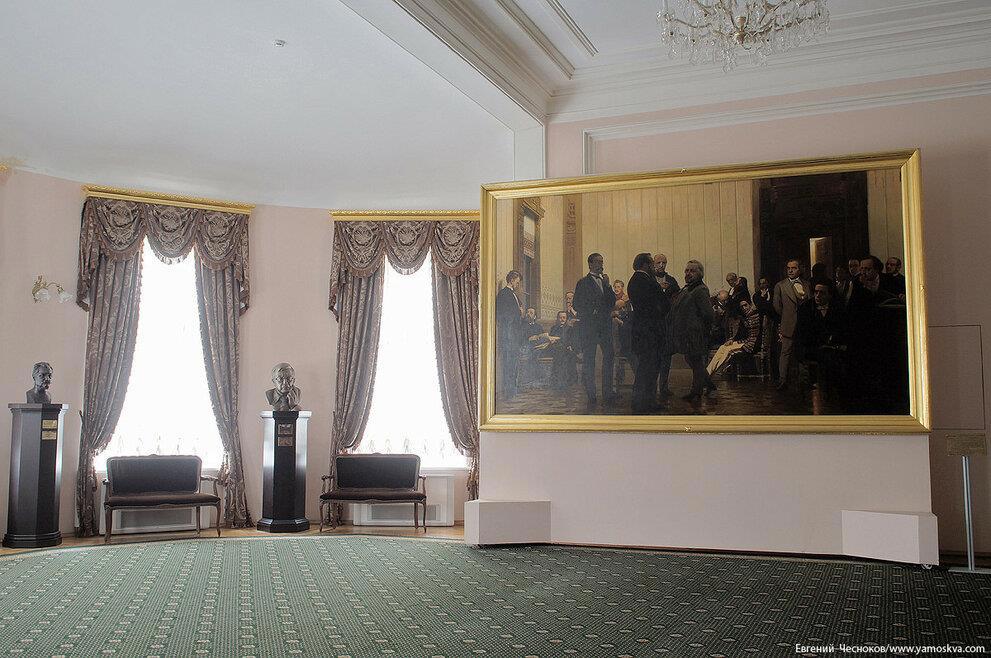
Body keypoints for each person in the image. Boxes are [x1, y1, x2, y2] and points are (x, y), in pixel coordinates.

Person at [573, 253, 617, 406]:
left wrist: (608, 286)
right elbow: (576, 304)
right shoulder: (582, 283)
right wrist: (591, 311)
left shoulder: (605, 282)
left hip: (605, 327)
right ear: (590, 264)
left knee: (609, 356)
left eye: (602, 262)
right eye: (597, 262)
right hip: (590, 328)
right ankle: (591, 395)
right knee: (589, 360)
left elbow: (612, 302)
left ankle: (608, 393)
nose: (601, 265)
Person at [627, 253, 668, 413]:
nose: (654, 267)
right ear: (645, 265)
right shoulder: (645, 281)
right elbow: (660, 305)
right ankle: (645, 403)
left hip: (643, 332)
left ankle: (643, 402)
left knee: (645, 368)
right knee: (649, 368)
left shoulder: (635, 280)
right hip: (650, 332)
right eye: (651, 264)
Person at [672, 260, 714, 404]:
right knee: (691, 359)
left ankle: (696, 392)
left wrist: (702, 329)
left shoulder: (700, 290)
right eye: (687, 271)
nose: (688, 273)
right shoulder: (688, 288)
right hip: (687, 332)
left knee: (695, 360)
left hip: (695, 333)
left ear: (700, 273)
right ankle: (709, 385)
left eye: (692, 271)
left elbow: (708, 314)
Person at [773, 258, 811, 390]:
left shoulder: (807, 284)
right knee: (785, 353)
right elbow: (777, 306)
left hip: (804, 325)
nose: (790, 270)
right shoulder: (780, 285)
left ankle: (804, 381)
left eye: (793, 268)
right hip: (788, 323)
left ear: (799, 270)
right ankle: (783, 380)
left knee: (803, 352)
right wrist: (787, 316)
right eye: (788, 268)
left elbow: (810, 303)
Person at [799, 283, 846, 390]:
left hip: (833, 348)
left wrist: (833, 341)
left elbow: (841, 329)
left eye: (822, 293)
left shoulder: (837, 309)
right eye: (816, 292)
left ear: (829, 295)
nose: (818, 295)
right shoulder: (806, 309)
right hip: (812, 348)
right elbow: (803, 333)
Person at [706, 298, 760, 377]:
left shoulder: (757, 315)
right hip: (745, 341)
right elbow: (741, 333)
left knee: (728, 350)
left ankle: (709, 374)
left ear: (750, 304)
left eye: (745, 305)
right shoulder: (745, 317)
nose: (744, 308)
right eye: (742, 307)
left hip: (753, 344)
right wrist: (732, 340)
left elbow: (758, 334)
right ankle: (707, 372)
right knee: (723, 347)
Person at [653, 253, 680, 399]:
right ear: (653, 264)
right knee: (653, 356)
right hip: (653, 324)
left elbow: (678, 298)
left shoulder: (671, 281)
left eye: (664, 262)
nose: (661, 265)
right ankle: (651, 387)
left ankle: (663, 387)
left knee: (666, 355)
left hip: (667, 323)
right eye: (659, 262)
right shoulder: (649, 280)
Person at [495, 270, 525, 399]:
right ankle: (509, 392)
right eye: (517, 282)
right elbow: (503, 315)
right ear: (511, 280)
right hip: (508, 335)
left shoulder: (513, 294)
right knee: (508, 363)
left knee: (513, 363)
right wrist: (519, 312)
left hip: (514, 335)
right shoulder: (504, 294)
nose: (518, 285)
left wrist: (520, 312)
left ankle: (513, 390)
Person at [611, 280, 634, 388]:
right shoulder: (611, 298)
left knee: (625, 352)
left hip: (624, 328)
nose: (616, 289)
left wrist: (619, 314)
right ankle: (618, 378)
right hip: (613, 329)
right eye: (615, 287)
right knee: (616, 352)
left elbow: (629, 313)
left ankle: (623, 376)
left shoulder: (626, 299)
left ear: (622, 288)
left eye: (618, 287)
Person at [548, 310, 578, 389]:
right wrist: (551, 341)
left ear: (566, 319)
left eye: (564, 318)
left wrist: (569, 345)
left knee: (566, 356)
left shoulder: (570, 329)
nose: (562, 319)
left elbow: (572, 340)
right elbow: (550, 338)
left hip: (566, 349)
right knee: (558, 354)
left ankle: (566, 380)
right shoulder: (554, 328)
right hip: (555, 349)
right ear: (557, 318)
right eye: (560, 317)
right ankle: (557, 380)